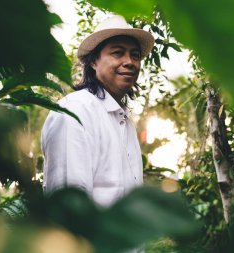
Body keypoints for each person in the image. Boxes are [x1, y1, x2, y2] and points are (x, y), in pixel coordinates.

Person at [41, 15, 155, 208]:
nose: (129, 62)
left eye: (135, 55)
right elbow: (69, 205)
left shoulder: (124, 120)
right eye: (118, 53)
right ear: (94, 62)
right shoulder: (74, 111)